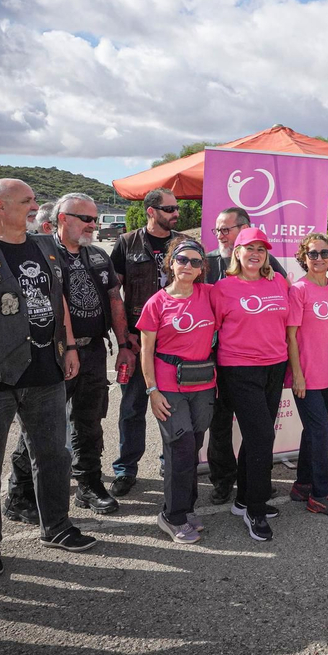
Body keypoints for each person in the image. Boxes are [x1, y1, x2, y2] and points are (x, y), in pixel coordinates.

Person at [0, 179, 95, 581]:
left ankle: (57, 526)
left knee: (53, 456)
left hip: (46, 371)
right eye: (26, 200)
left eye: (33, 199)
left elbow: (59, 297)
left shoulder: (45, 245)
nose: (34, 205)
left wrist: (71, 347)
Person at [5, 194, 128, 519]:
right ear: (62, 218)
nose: (93, 224)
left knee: (89, 421)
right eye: (86, 218)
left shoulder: (99, 256)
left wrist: (125, 343)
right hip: (50, 354)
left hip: (93, 351)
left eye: (95, 219)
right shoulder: (39, 252)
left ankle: (87, 485)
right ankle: (21, 495)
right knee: (39, 426)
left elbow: (115, 300)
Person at [210, 228, 291, 541]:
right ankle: (255, 509)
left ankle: (243, 499)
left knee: (256, 437)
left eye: (261, 248)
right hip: (239, 370)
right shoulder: (222, 288)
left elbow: (288, 325)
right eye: (249, 248)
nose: (255, 254)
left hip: (274, 367)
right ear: (237, 252)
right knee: (261, 437)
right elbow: (211, 333)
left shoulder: (278, 282)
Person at [138, 237, 218, 543]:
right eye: (182, 260)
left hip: (203, 383)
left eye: (195, 262)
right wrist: (152, 391)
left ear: (202, 269)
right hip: (168, 385)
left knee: (194, 447)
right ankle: (171, 515)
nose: (188, 266)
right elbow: (146, 352)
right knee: (179, 447)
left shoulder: (210, 294)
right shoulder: (156, 302)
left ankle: (186, 508)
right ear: (171, 263)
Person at [108, 188, 177, 496]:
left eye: (177, 208)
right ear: (151, 211)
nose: (176, 213)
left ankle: (171, 461)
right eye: (169, 209)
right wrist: (125, 339)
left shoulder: (184, 245)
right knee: (132, 407)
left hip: (176, 341)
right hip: (138, 340)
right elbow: (114, 295)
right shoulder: (126, 243)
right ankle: (126, 469)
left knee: (173, 407)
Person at [285, 232, 328, 517]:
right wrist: (297, 375)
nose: (319, 259)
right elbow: (290, 337)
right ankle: (320, 495)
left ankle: (302, 484)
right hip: (306, 376)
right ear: (304, 257)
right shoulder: (298, 290)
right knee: (321, 430)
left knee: (313, 430)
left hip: (327, 376)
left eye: (324, 253)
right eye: (313, 254)